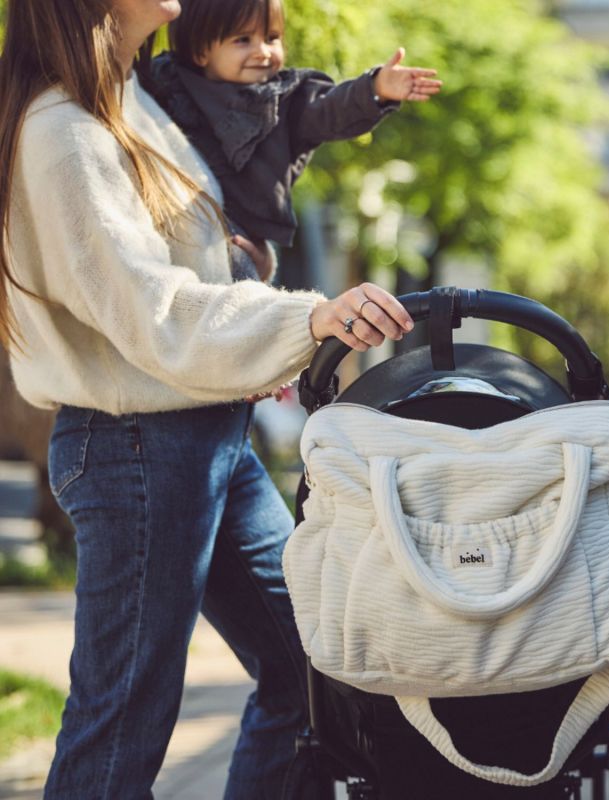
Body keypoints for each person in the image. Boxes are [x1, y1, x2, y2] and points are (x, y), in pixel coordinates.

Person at [0, 0, 414, 797]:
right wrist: (308, 316)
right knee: (119, 729)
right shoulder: (63, 136)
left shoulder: (129, 100)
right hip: (136, 448)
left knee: (312, 671)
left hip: (204, 437)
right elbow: (156, 311)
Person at [146, 0, 442, 280]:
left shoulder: (286, 101)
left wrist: (376, 88)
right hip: (169, 224)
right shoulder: (167, 84)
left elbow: (331, 109)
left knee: (238, 278)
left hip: (239, 239)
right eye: (243, 40)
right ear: (201, 52)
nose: (263, 51)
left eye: (272, 37)